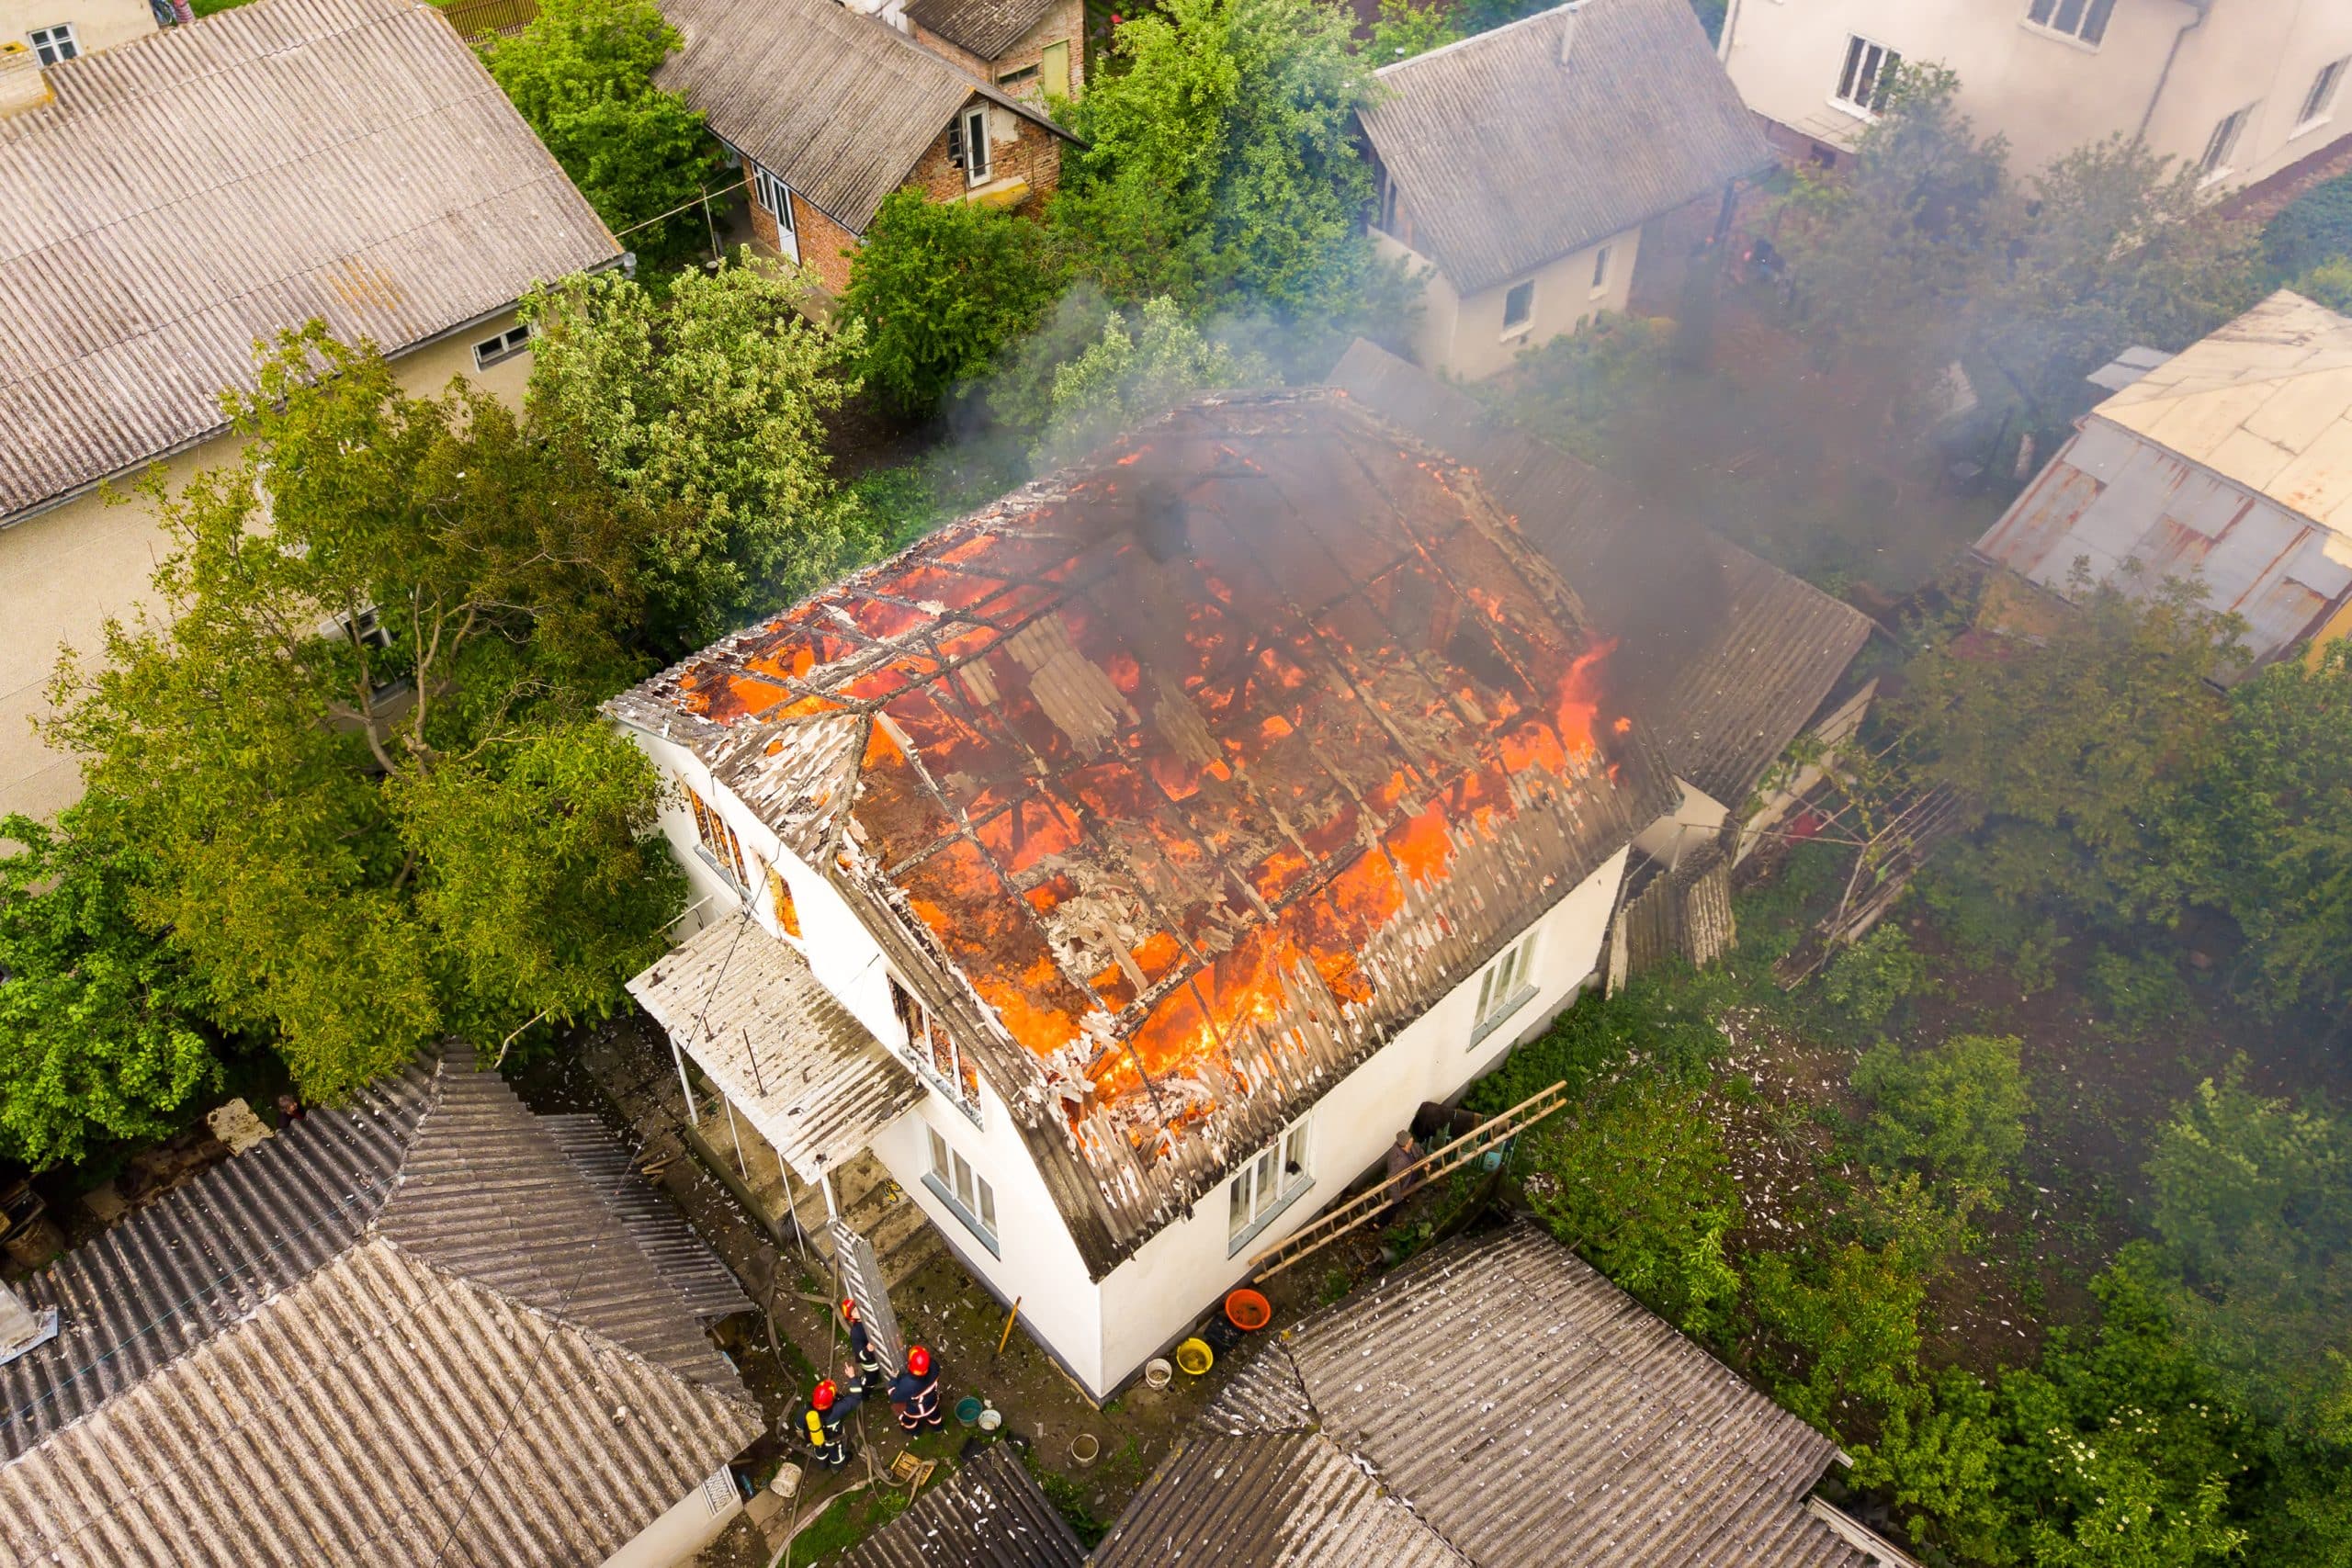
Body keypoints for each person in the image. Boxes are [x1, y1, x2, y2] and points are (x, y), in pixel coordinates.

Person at [802, 1378, 860, 1470]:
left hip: (816, 1438)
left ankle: (822, 1464)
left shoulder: (808, 1408)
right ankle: (838, 1465)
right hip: (832, 1438)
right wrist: (853, 1378)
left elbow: (800, 1423)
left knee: (819, 1449)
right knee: (836, 1451)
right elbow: (855, 1398)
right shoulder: (837, 1410)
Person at [888, 1344, 944, 1434]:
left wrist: (893, 1380)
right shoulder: (934, 1367)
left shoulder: (908, 1384)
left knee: (908, 1421)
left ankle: (916, 1431)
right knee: (935, 1417)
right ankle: (938, 1428)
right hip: (932, 1403)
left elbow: (894, 1397)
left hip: (915, 1410)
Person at [842, 1297, 887, 1398]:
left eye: (857, 1307)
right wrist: (867, 1350)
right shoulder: (856, 1332)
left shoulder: (867, 1318)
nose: (857, 1310)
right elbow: (859, 1356)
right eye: (854, 1311)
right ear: (851, 1316)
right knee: (870, 1383)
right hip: (871, 1364)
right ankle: (864, 1395)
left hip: (879, 1353)